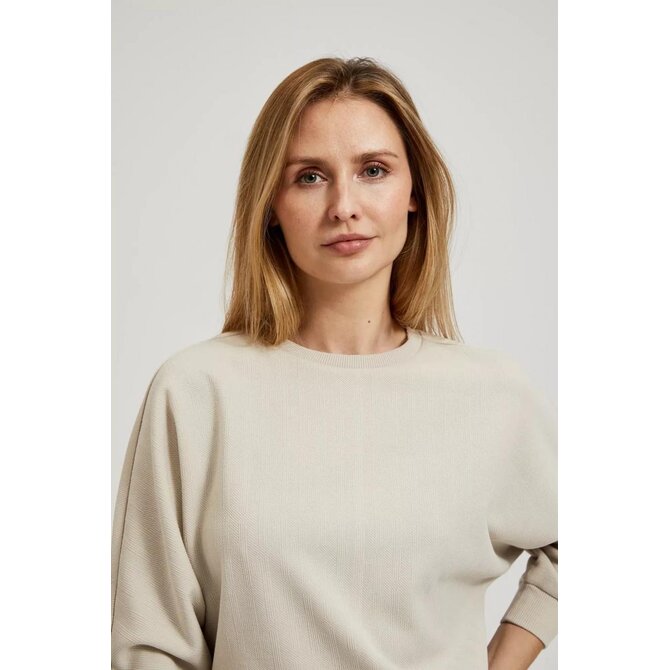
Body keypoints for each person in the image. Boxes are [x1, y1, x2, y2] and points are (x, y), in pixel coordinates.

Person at [111, 56, 557, 670]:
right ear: (270, 204)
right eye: (310, 177)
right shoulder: (195, 393)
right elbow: (149, 639)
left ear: (414, 193)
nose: (344, 205)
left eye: (373, 170)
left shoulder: (491, 394)